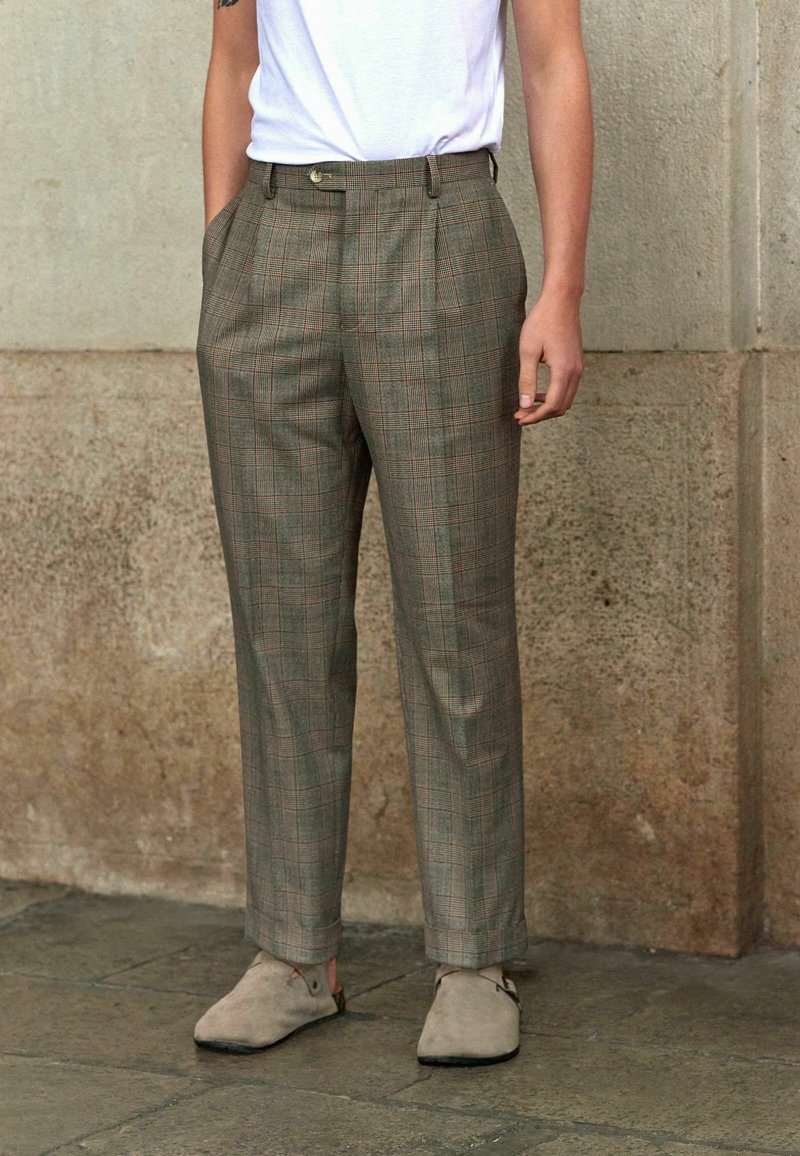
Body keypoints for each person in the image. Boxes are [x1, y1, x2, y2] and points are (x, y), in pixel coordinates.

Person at [192, 0, 592, 1066]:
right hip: (272, 240)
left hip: (440, 225)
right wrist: (223, 254)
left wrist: (560, 286)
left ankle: (473, 957)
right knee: (283, 625)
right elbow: (233, 57)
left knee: (456, 618)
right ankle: (292, 953)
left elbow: (553, 60)